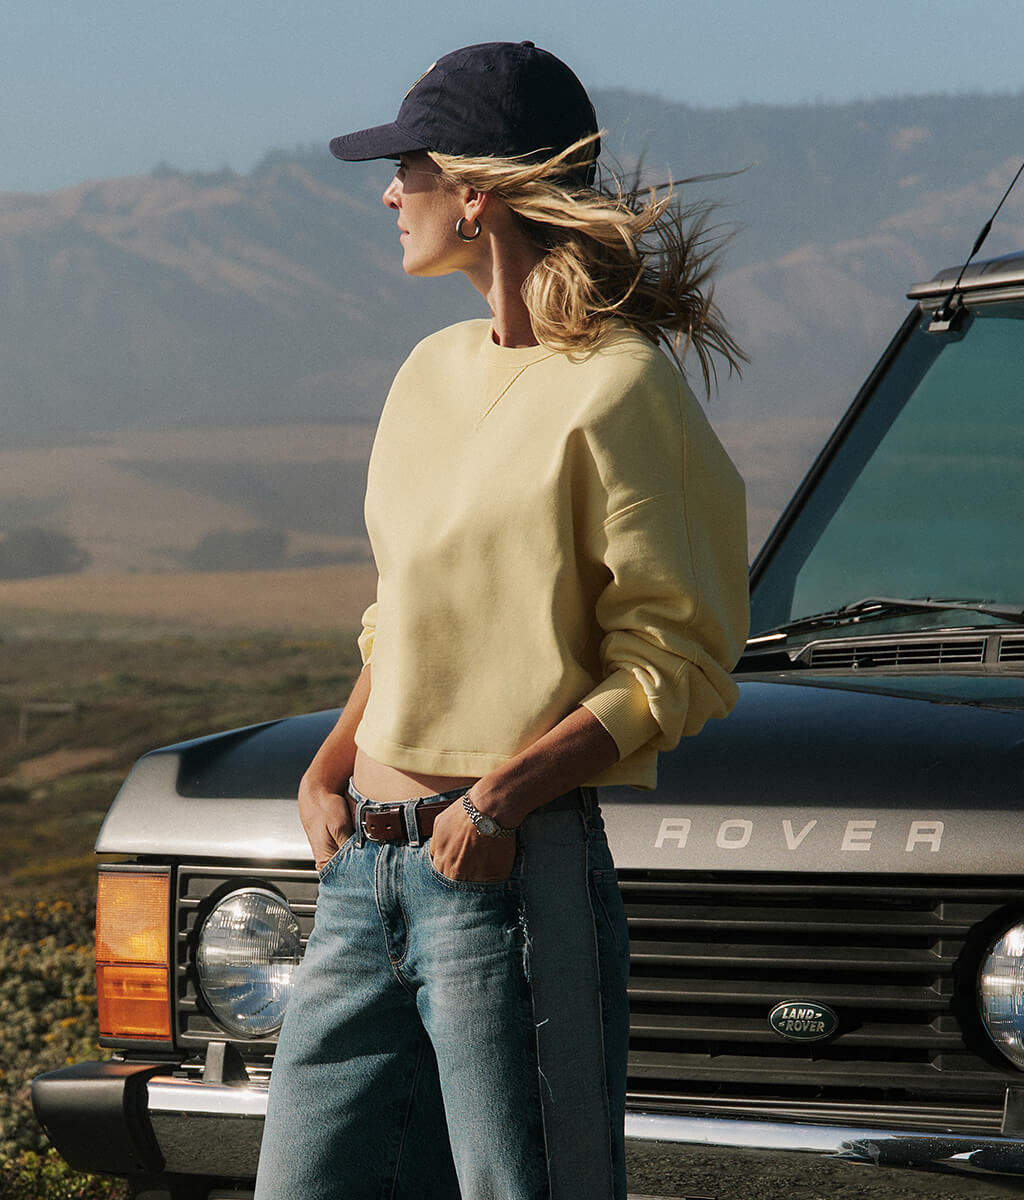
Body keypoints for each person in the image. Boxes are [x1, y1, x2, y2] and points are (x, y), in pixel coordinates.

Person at [253, 40, 749, 1200]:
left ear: (476, 192)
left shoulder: (623, 390)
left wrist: (500, 798)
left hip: (504, 872)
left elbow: (680, 662)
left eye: (406, 169)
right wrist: (327, 766)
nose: (388, 194)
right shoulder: (426, 372)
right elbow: (407, 618)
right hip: (357, 871)